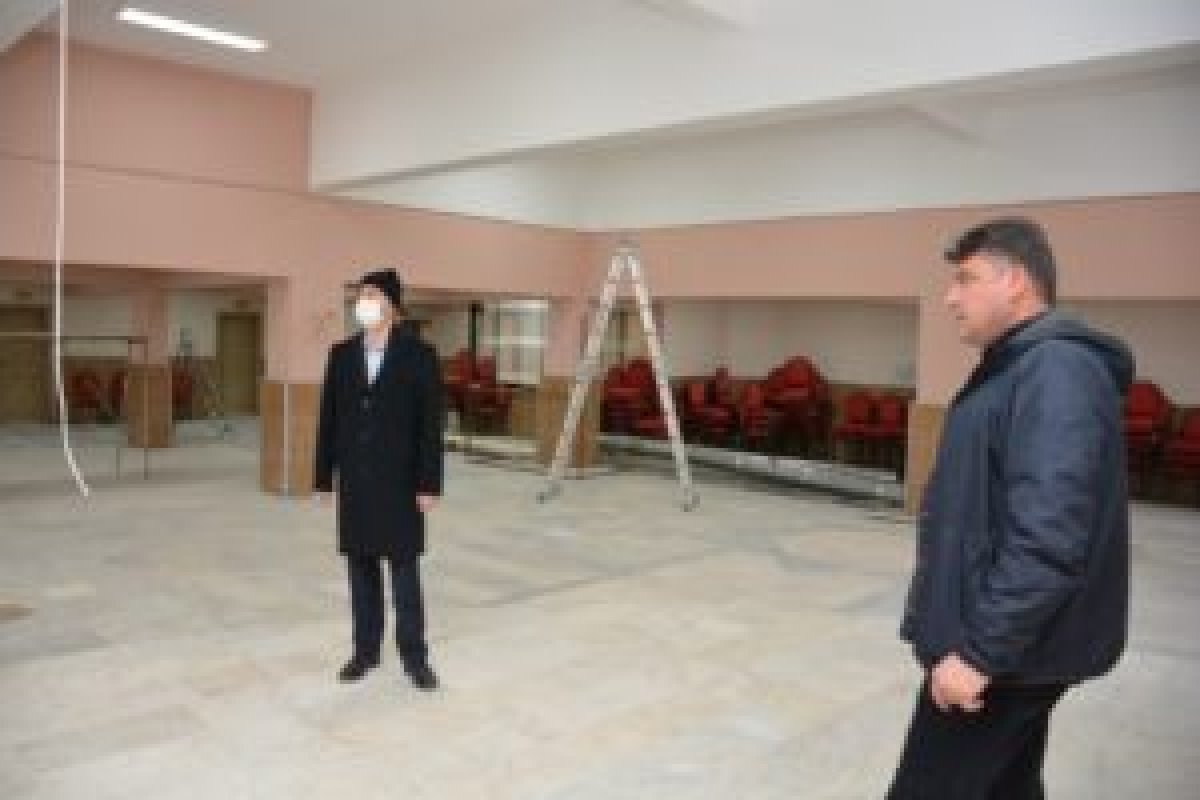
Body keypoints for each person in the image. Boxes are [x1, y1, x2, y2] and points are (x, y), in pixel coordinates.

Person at [887, 218, 1133, 798]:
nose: (950, 298)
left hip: (1004, 659)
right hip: (1015, 652)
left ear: (1016, 280)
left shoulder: (1055, 371)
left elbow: (1050, 534)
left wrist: (979, 655)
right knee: (1006, 786)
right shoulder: (1017, 367)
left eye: (965, 279)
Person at [313, 268, 445, 690]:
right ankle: (364, 652)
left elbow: (430, 426)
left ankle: (415, 659)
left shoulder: (420, 355)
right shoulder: (341, 354)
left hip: (401, 485)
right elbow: (329, 420)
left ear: (392, 304)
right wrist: (323, 478)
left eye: (371, 294)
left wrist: (429, 484)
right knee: (361, 571)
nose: (363, 302)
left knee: (405, 575)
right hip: (357, 483)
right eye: (360, 295)